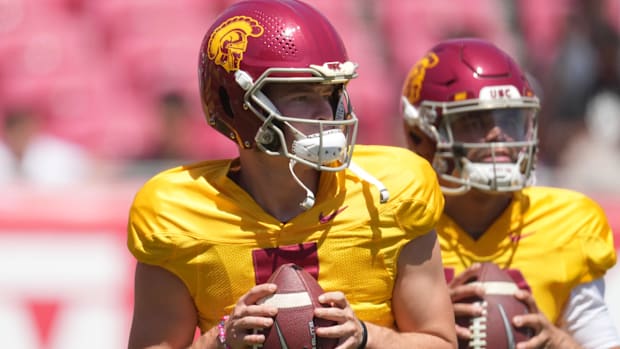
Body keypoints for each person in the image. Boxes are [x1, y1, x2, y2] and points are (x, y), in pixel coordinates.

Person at [126, 1, 457, 349]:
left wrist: (367, 336)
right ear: (236, 104)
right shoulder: (177, 214)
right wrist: (220, 342)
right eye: (301, 95)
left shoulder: (391, 193)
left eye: (330, 93)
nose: (324, 112)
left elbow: (439, 341)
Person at [400, 37, 620, 349]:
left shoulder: (568, 223)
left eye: (510, 119)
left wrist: (558, 342)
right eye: (473, 120)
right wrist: (423, 324)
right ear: (419, 135)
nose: (497, 134)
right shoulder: (395, 224)